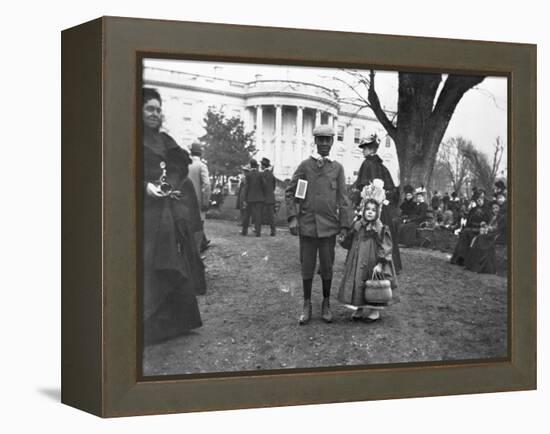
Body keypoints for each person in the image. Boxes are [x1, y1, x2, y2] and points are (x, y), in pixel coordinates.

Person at [142, 87, 205, 344]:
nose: (155, 114)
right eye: (149, 109)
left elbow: (180, 162)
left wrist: (171, 182)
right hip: (141, 211)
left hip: (165, 210)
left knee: (172, 257)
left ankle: (175, 323)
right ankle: (148, 323)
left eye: (158, 109)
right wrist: (145, 186)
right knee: (148, 262)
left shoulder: (165, 140)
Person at [285, 125, 350, 325]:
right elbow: (291, 192)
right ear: (315, 141)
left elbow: (343, 198)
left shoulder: (337, 168)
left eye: (327, 140)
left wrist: (345, 226)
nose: (323, 143)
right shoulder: (305, 166)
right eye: (320, 139)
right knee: (307, 267)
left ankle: (326, 303)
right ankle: (306, 304)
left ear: (332, 142)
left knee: (328, 267)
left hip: (329, 227)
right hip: (308, 226)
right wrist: (293, 218)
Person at [337, 189, 398, 323]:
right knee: (358, 282)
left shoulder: (380, 227)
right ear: (363, 210)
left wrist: (381, 263)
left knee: (372, 283)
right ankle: (359, 307)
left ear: (378, 212)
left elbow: (385, 246)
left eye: (373, 210)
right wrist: (344, 238)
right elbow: (350, 241)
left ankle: (374, 310)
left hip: (372, 259)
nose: (370, 212)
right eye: (367, 209)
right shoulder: (358, 224)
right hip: (357, 259)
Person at [352, 134, 402, 272]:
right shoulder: (383, 167)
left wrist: (357, 202)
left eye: (364, 148)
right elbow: (392, 190)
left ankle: (367, 262)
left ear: (370, 149)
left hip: (369, 208)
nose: (363, 151)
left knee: (368, 233)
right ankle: (391, 264)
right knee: (384, 234)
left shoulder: (367, 164)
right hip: (382, 209)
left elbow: (361, 187)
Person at [450, 193, 492, 266]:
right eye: (478, 200)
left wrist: (483, 226)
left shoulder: (487, 210)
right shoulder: (473, 209)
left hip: (480, 229)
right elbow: (469, 220)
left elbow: (489, 221)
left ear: (484, 200)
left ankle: (468, 260)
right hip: (471, 228)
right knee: (464, 235)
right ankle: (460, 258)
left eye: (481, 199)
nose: (479, 201)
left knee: (470, 236)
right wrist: (466, 227)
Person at [188, 141, 212, 252]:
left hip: (184, 200)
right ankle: (196, 251)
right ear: (200, 153)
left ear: (191, 152)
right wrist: (206, 201)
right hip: (198, 200)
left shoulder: (185, 165)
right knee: (199, 225)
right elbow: (206, 184)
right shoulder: (201, 166)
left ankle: (199, 245)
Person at [465, 202, 501, 274]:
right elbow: (490, 227)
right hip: (489, 234)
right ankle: (473, 265)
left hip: (494, 235)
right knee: (478, 239)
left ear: (499, 208)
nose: (495, 210)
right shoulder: (493, 217)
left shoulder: (500, 218)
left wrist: (487, 227)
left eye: (496, 208)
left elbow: (496, 228)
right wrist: (485, 225)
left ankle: (480, 266)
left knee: (480, 240)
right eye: (493, 208)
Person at [241, 158, 266, 237]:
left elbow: (246, 188)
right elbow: (264, 185)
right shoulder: (260, 174)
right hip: (259, 198)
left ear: (251, 165)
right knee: (258, 216)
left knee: (247, 215)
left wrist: (244, 199)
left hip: (249, 198)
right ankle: (258, 232)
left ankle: (244, 231)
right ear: (256, 165)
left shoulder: (248, 175)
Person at [261, 157, 277, 236]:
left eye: (261, 165)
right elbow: (274, 186)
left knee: (259, 213)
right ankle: (273, 230)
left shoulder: (262, 174)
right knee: (271, 216)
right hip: (271, 197)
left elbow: (262, 186)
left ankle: (257, 229)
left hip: (263, 197)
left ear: (263, 166)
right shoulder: (272, 175)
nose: (261, 166)